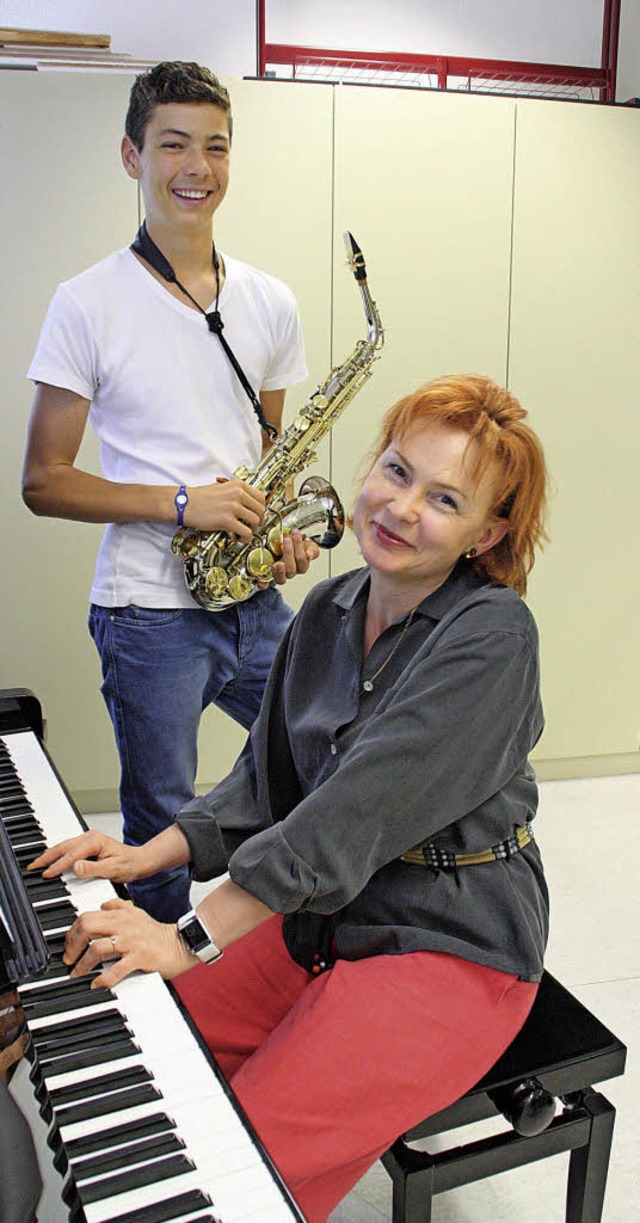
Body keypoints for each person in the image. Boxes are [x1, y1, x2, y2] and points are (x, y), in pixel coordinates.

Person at [31, 374, 550, 1223]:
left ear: (486, 533)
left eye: (444, 498)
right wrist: (145, 852)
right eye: (396, 469)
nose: (402, 505)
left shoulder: (493, 636)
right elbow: (266, 779)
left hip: (451, 937)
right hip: (324, 914)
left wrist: (188, 935)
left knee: (243, 1156)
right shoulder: (329, 604)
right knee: (156, 1047)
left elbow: (346, 816)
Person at [22, 61, 316, 924]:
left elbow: (269, 454)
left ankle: (285, 935)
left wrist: (281, 530)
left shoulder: (270, 301)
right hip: (148, 611)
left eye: (217, 147)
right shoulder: (86, 303)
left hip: (253, 597)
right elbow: (44, 481)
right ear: (131, 155)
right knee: (156, 821)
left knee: (319, 756)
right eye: (174, 144)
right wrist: (184, 503)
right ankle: (162, 1003)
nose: (198, 167)